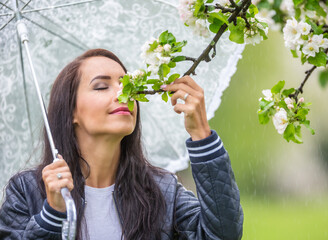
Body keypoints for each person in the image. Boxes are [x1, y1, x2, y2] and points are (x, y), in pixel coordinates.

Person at [0, 49, 244, 239]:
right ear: (71, 112)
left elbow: (222, 234)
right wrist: (53, 215)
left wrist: (201, 134)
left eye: (128, 85)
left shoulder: (162, 190)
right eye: (101, 86)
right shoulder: (27, 192)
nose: (122, 94)